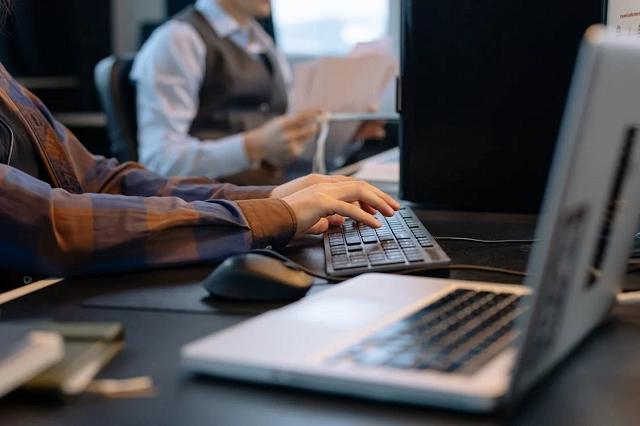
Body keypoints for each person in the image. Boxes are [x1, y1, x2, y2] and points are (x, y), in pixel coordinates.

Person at [0, 31, 400, 289]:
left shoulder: (265, 47)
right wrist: (266, 206)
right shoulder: (178, 41)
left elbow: (98, 179)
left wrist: (274, 196)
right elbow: (46, 222)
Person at [131, 0, 386, 185]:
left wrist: (348, 138)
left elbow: (290, 162)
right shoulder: (178, 40)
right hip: (216, 211)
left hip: (275, 200)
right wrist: (253, 147)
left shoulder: (266, 46)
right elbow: (159, 161)